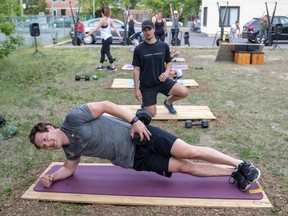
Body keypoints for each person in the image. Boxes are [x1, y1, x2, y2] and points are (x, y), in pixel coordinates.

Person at [29, 100, 261, 192]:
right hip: (134, 160)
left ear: (49, 127)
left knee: (190, 151)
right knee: (184, 167)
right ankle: (234, 173)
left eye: (45, 138)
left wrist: (135, 121)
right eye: (44, 146)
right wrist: (53, 178)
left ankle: (242, 163)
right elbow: (69, 168)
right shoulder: (69, 150)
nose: (48, 144)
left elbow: (107, 105)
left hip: (140, 135)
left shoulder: (73, 118)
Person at [132, 20, 189, 116]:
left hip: (162, 81)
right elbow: (136, 70)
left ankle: (168, 103)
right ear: (143, 32)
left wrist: (166, 73)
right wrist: (136, 89)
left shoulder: (163, 46)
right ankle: (145, 104)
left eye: (149, 29)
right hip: (147, 85)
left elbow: (169, 62)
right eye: (145, 30)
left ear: (154, 29)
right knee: (151, 113)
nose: (147, 32)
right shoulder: (139, 49)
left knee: (184, 92)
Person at [86, 6, 123, 71]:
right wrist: (119, 36)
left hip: (105, 39)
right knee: (102, 52)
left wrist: (87, 34)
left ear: (102, 13)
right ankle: (100, 66)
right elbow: (116, 28)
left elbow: (95, 29)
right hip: (109, 38)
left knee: (107, 53)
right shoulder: (110, 20)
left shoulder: (102, 20)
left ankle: (113, 67)